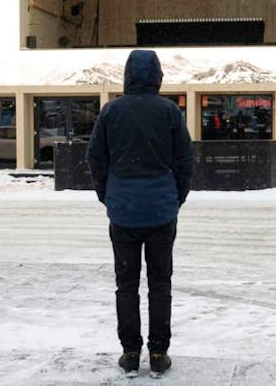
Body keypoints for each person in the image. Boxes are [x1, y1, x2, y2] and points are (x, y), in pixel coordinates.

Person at [86, 50, 194, 378]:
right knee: (160, 283)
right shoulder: (169, 112)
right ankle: (159, 353)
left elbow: (95, 158)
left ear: (128, 75)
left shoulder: (111, 111)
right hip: (161, 213)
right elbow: (185, 160)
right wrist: (175, 198)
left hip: (123, 214)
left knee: (126, 284)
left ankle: (130, 352)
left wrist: (110, 196)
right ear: (157, 75)